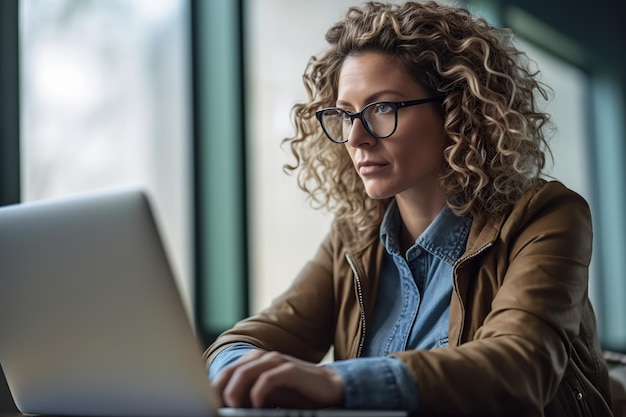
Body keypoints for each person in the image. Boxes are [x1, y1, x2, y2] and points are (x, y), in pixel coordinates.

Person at [203, 1, 614, 415]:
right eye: (345, 115)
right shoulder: (354, 234)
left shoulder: (546, 215)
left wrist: (332, 380)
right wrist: (241, 374)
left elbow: (519, 368)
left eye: (382, 108)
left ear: (457, 109)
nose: (356, 138)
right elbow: (243, 342)